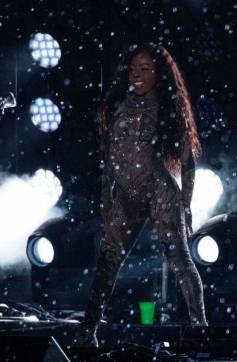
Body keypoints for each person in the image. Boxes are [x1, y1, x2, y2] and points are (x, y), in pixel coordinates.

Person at [76, 43, 206, 345]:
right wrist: (106, 199)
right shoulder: (116, 107)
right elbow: (107, 159)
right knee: (107, 262)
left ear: (159, 75)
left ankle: (201, 330)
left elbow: (187, 161)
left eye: (146, 69)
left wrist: (186, 203)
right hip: (124, 195)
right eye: (134, 68)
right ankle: (87, 333)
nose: (137, 75)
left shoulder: (168, 106)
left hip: (160, 191)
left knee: (181, 261)